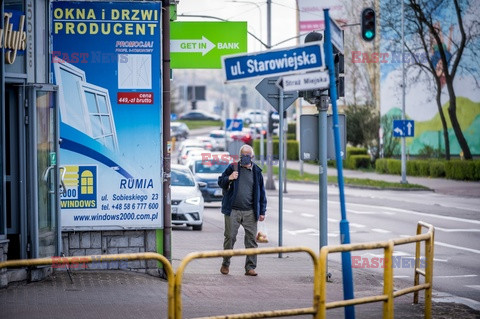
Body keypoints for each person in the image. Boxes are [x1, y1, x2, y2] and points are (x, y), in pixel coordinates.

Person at [217, 144, 267, 276]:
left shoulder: (257, 172)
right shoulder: (232, 167)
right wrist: (229, 178)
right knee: (230, 238)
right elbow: (220, 181)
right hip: (232, 210)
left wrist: (262, 211)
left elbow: (261, 193)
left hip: (250, 211)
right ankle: (225, 264)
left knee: (251, 240)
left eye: (247, 156)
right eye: (242, 156)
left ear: (252, 157)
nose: (245, 158)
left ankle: (250, 267)